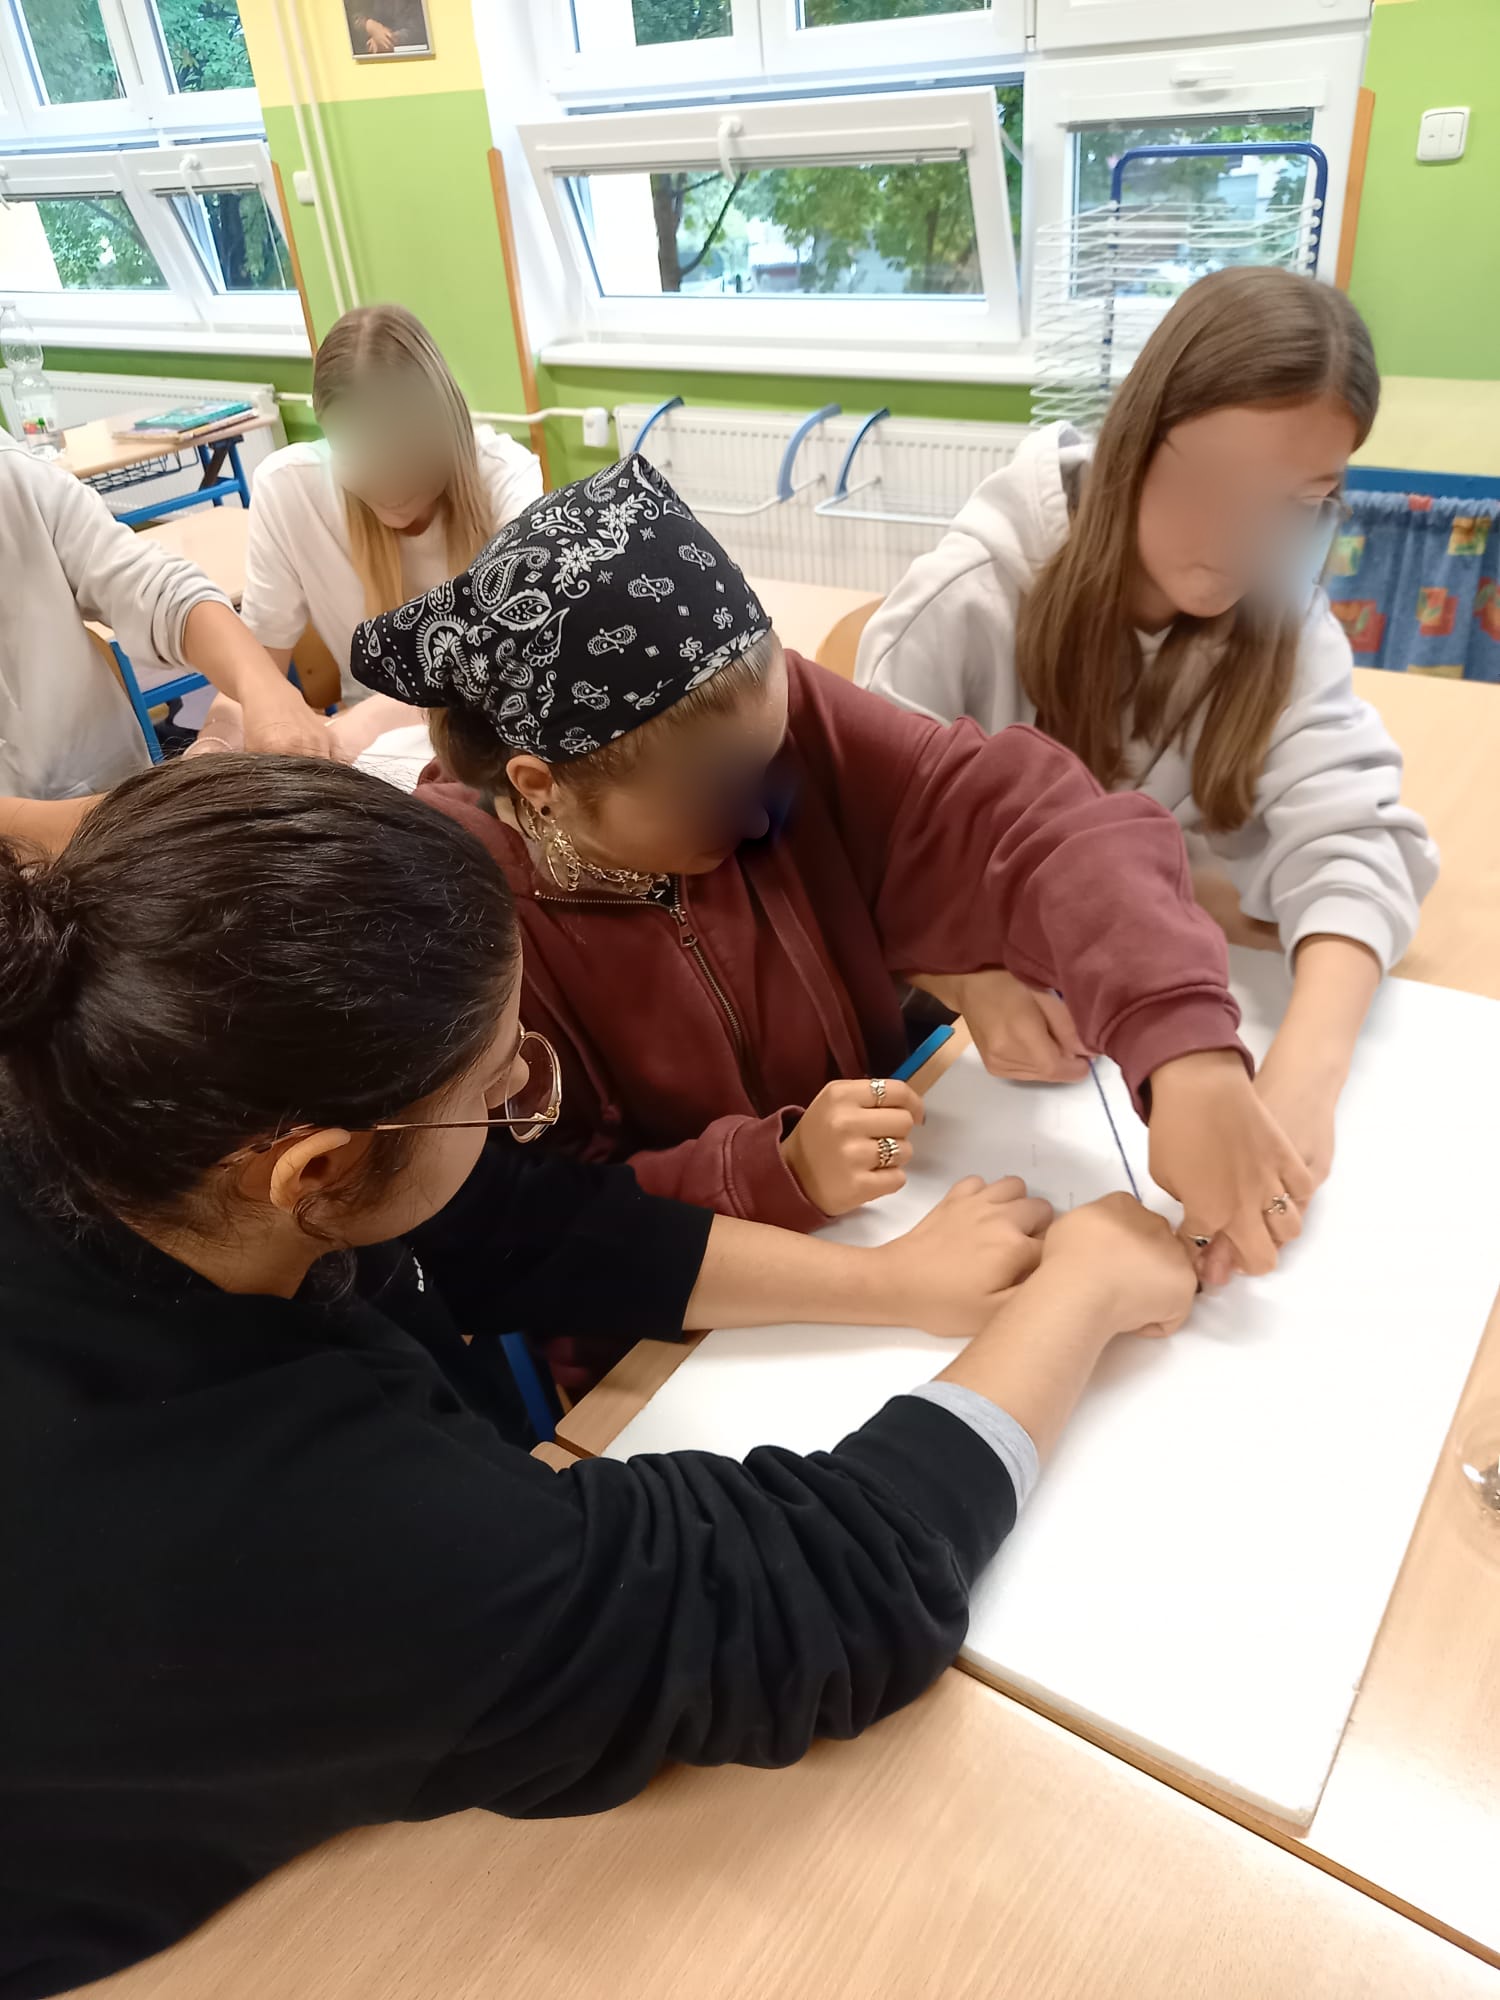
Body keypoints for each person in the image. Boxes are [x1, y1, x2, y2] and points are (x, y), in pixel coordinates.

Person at [0, 754, 1197, 1997]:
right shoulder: (270, 1515)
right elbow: (811, 1595)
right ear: (312, 1171)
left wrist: (891, 1284)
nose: (518, 1101)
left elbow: (506, 1222)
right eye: (493, 1089)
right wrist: (1077, 1293)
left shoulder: (105, 1094)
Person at [353, 453, 1313, 1350]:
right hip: (681, 1335)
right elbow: (520, 1230)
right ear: (543, 786)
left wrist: (1183, 1049)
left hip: (887, 1227)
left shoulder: (757, 736)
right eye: (717, 795)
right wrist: (775, 1173)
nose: (762, 813)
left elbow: (1035, 817)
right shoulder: (451, 919)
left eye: (771, 757)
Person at [855, 268, 1438, 1196]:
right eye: (1222, 482)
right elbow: (845, 852)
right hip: (946, 1045)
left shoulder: (1284, 618)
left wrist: (1304, 1075)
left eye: (1300, 504)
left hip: (1144, 1001)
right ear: (1136, 436)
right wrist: (968, 981)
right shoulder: (971, 599)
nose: (1251, 538)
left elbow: (1355, 842)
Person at [0, 428, 328, 847]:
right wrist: (154, 814)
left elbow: (151, 586)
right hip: (117, 831)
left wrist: (262, 684)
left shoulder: (15, 478)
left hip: (125, 813)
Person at [236, 303, 541, 705]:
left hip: (487, 726)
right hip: (367, 737)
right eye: (363, 457)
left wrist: (353, 728)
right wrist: (219, 733)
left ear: (446, 425)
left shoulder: (506, 478)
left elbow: (518, 660)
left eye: (407, 456)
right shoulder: (287, 487)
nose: (391, 488)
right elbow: (254, 676)